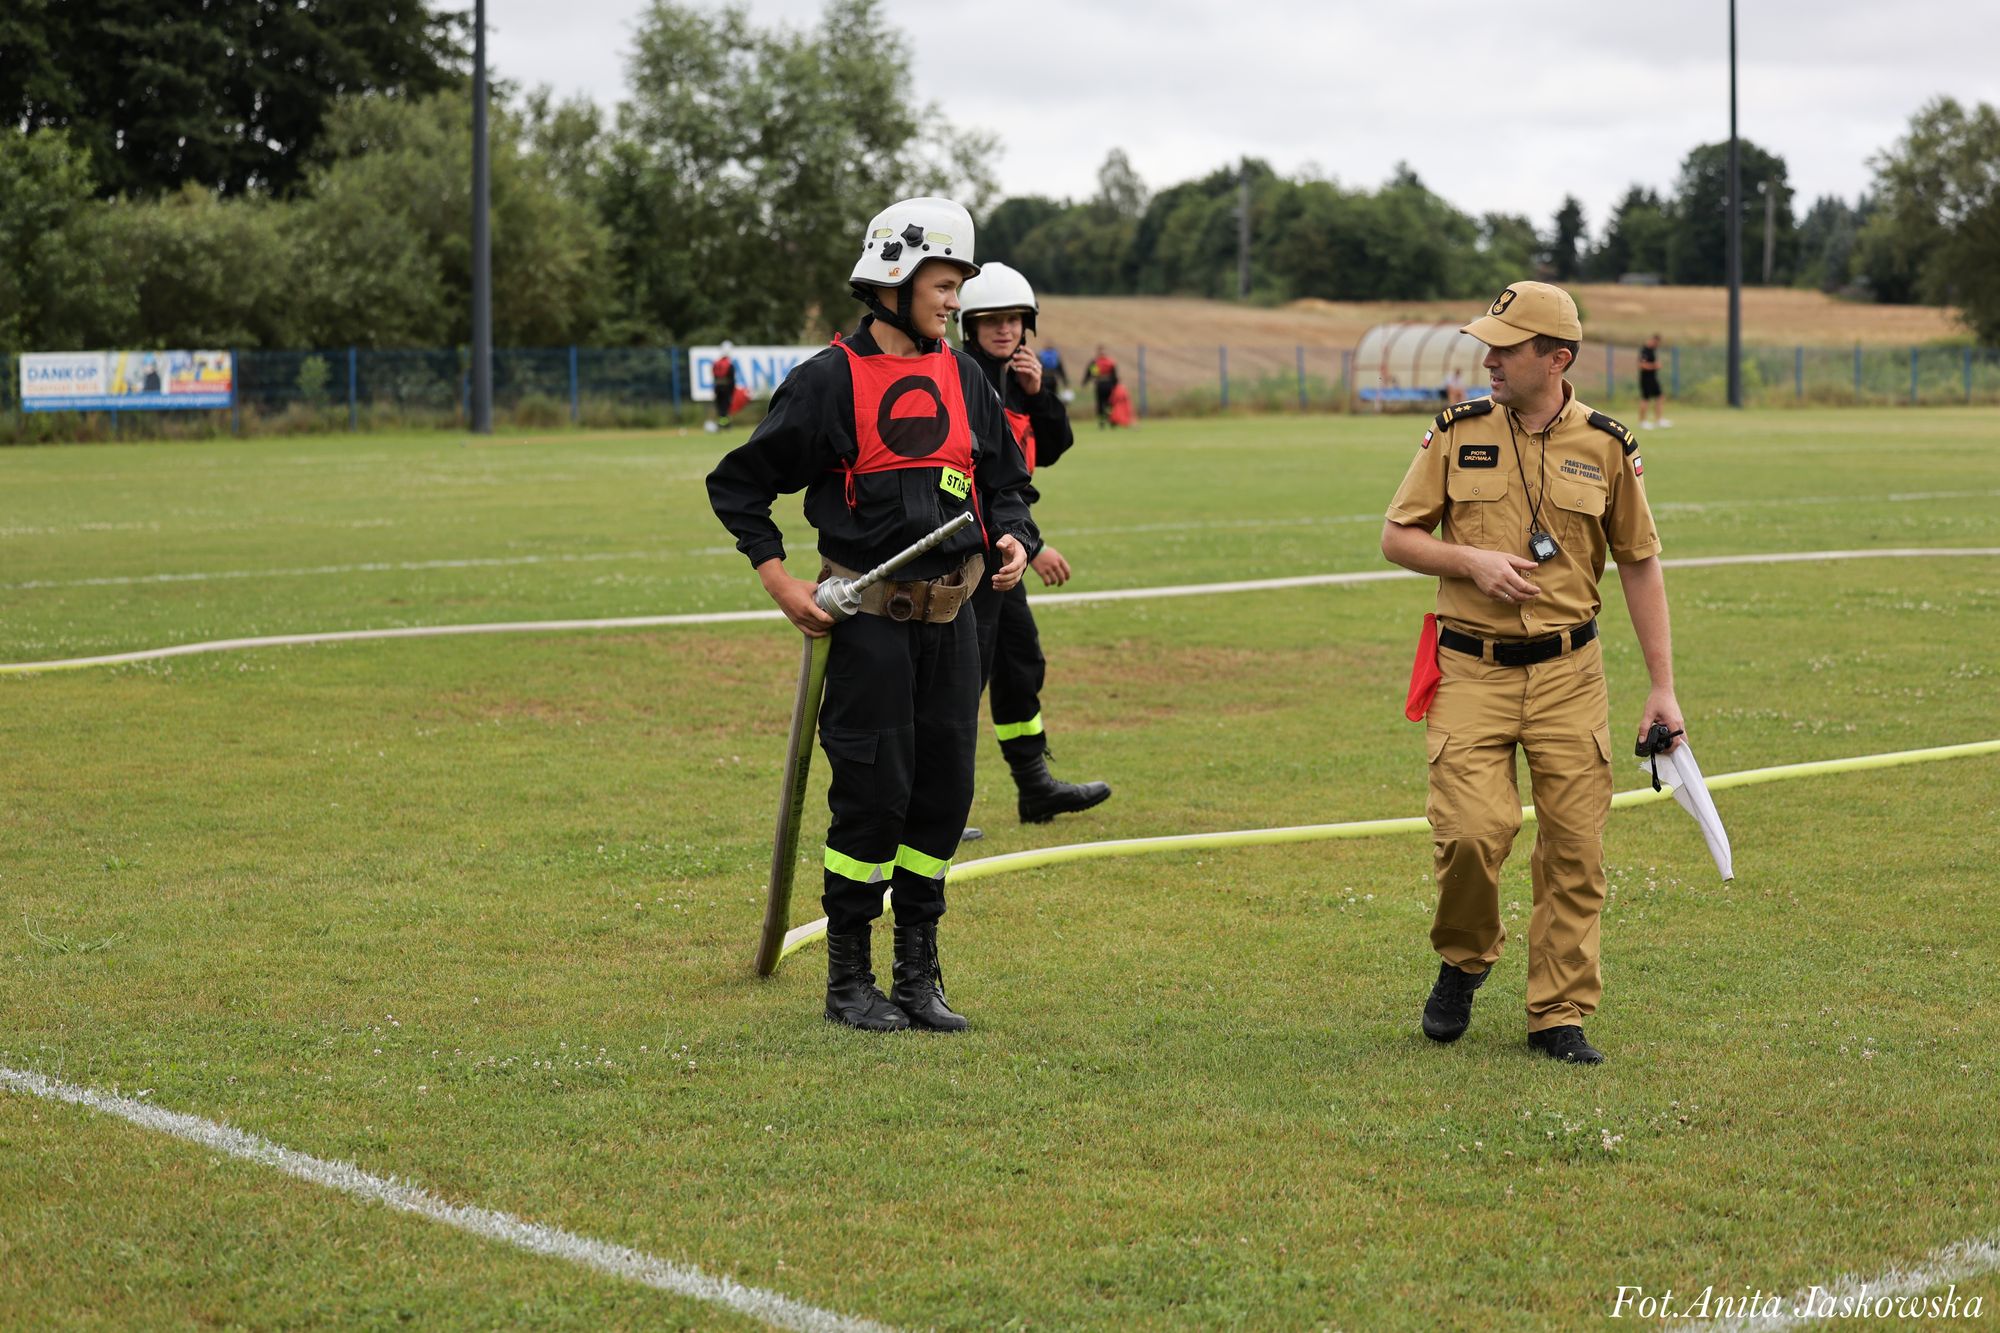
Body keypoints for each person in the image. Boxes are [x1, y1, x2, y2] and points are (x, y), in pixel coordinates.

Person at [707, 197, 1035, 1034]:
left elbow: (1003, 481)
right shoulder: (827, 381)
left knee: (942, 796)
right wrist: (784, 586)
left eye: (959, 280)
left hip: (954, 624)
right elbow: (738, 484)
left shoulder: (963, 376)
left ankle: (917, 975)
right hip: (868, 625)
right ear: (893, 275)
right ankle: (848, 980)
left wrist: (1015, 541)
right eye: (944, 279)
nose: (955, 296)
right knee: (871, 796)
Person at [1380, 280, 1683, 1065]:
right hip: (1469, 667)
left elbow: (1641, 565)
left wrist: (1662, 687)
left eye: (1505, 348)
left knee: (1576, 850)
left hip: (1568, 673)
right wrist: (1468, 559)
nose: (1488, 359)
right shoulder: (1456, 431)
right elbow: (1396, 537)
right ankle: (1465, 956)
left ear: (1557, 358)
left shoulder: (1608, 446)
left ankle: (1558, 1013)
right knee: (1475, 834)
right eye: (1487, 344)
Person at [957, 261, 1113, 825]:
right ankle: (933, 805)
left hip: (1004, 554)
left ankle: (1034, 785)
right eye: (993, 320)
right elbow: (978, 480)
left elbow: (1051, 448)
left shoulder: (1015, 379)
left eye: (1015, 320)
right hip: (968, 558)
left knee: (1020, 664)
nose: (1006, 330)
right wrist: (1034, 543)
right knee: (959, 681)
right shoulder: (958, 380)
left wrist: (1037, 392)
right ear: (969, 326)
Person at [1636, 333, 1670, 429]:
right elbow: (1641, 365)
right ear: (1652, 340)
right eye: (1656, 343)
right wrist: (1655, 366)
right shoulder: (1645, 350)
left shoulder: (1652, 350)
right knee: (1645, 399)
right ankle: (1642, 421)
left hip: (1653, 378)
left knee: (1660, 396)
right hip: (1645, 378)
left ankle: (1658, 420)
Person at [1082, 345, 1119, 428]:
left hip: (1100, 385)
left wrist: (1085, 383)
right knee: (1109, 404)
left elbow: (1091, 374)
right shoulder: (1110, 362)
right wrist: (1116, 385)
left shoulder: (1095, 362)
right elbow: (1114, 376)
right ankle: (1111, 421)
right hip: (1108, 385)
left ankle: (1102, 422)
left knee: (1101, 404)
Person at [710, 340, 738, 432]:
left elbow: (714, 376)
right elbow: (732, 379)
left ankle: (721, 425)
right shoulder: (729, 365)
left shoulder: (716, 363)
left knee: (720, 407)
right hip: (726, 388)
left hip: (718, 388)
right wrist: (732, 391)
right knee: (725, 408)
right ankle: (725, 426)